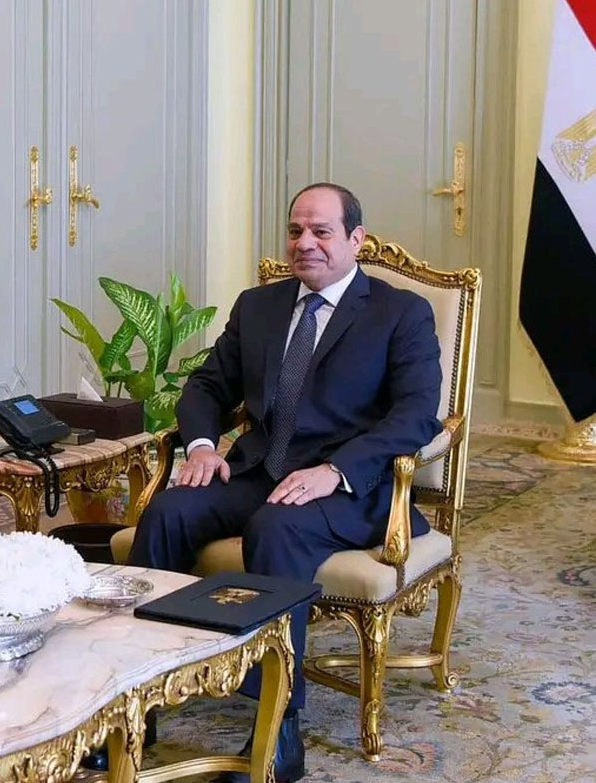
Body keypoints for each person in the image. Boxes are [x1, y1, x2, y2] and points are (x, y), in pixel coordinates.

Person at [127, 183, 442, 783]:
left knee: (276, 529)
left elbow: (415, 415)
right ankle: (137, 698)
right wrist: (201, 447)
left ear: (356, 239)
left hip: (353, 488)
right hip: (262, 470)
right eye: (296, 231)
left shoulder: (400, 313)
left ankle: (278, 726)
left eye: (321, 232)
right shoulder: (259, 306)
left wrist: (336, 471)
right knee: (170, 510)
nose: (305, 243)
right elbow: (206, 386)